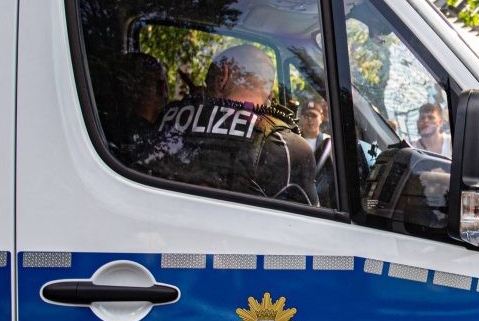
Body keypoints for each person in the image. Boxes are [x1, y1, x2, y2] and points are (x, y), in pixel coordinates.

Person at [141, 44, 319, 205]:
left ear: (222, 77)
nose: (204, 92)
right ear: (270, 95)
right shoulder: (290, 148)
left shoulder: (167, 117)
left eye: (207, 84)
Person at [298, 99, 335, 208]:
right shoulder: (294, 141)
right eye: (306, 115)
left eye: (313, 116)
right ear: (300, 118)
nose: (309, 120)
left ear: (321, 118)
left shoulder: (330, 143)